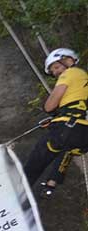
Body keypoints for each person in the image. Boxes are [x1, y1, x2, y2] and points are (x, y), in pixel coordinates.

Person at [23, 48, 88, 197]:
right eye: (53, 71)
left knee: (36, 160)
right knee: (66, 149)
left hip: (68, 127)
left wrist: (53, 111)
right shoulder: (83, 79)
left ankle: (18, 193)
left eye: (57, 67)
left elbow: (49, 106)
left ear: (69, 61)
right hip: (83, 133)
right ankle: (51, 184)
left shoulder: (70, 73)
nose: (56, 73)